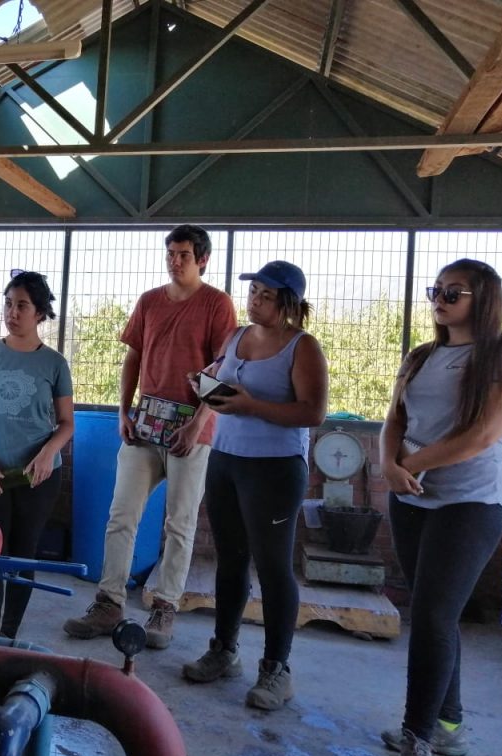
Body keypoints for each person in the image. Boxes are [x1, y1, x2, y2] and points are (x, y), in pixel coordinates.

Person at [377, 259, 502, 756]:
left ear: (483, 296)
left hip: (471, 501)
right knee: (433, 612)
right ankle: (447, 726)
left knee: (432, 616)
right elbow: (394, 418)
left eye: (453, 292)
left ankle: (415, 734)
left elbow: (485, 434)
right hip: (411, 497)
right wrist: (388, 464)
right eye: (436, 291)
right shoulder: (423, 355)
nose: (439, 300)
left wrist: (411, 464)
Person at [63, 224, 237, 649]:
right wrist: (124, 410)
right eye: (171, 253)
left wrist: (198, 424)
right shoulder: (149, 302)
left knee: (180, 522)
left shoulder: (217, 304)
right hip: (145, 423)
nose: (175, 261)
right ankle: (109, 601)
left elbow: (224, 370)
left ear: (203, 259)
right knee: (121, 513)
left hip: (192, 429)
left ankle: (165, 608)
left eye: (183, 254)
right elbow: (133, 357)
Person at [180, 261, 327, 711]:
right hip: (226, 459)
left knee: (273, 566)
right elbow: (223, 379)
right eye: (254, 292)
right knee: (230, 560)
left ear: (288, 302)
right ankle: (224, 650)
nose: (255, 300)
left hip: (275, 468)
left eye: (265, 294)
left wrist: (250, 405)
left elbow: (312, 413)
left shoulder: (303, 348)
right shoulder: (237, 337)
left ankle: (276, 669)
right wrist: (205, 386)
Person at [0, 270, 74, 638]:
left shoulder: (54, 364)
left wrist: (47, 455)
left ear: (39, 312)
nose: (12, 312)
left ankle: (8, 634)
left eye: (22, 305)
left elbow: (66, 423)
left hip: (38, 476)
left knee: (24, 553)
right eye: (8, 304)